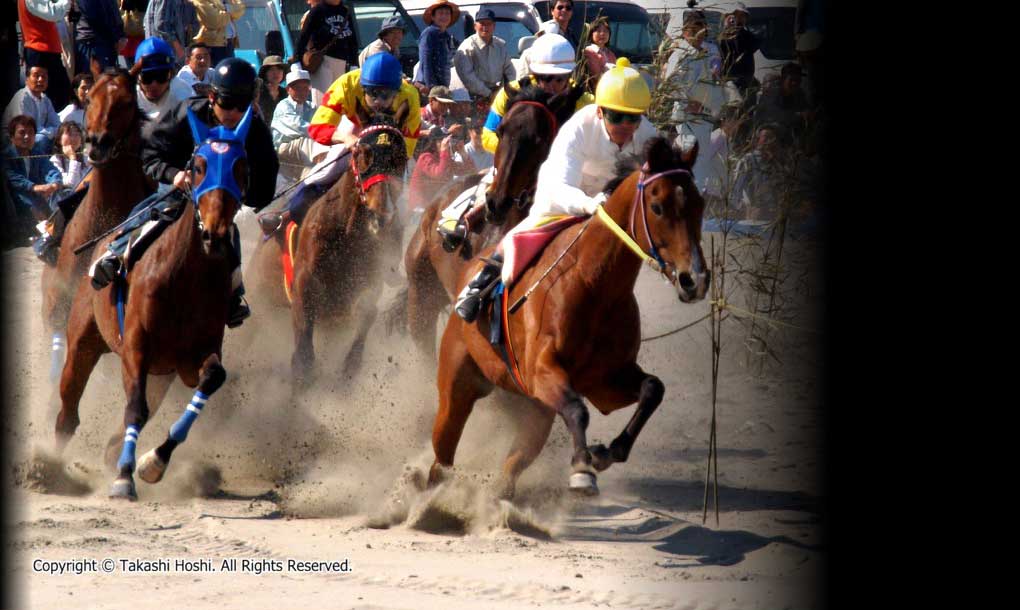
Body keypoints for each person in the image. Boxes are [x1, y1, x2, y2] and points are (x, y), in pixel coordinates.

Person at [454, 57, 657, 322]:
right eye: (616, 116)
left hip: (607, 203)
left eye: (633, 118)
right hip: (562, 195)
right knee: (522, 234)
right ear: (599, 111)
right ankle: (479, 285)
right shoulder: (576, 128)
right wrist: (590, 204)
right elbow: (561, 187)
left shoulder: (648, 134)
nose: (626, 126)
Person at [90, 57, 278, 328]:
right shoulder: (186, 113)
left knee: (231, 233)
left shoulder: (256, 131)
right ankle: (114, 253)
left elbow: (265, 187)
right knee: (156, 209)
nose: (234, 112)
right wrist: (174, 174)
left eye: (242, 105)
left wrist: (243, 191)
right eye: (227, 103)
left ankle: (234, 296)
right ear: (212, 97)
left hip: (220, 203)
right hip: (178, 190)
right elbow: (150, 153)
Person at [435, 33, 592, 251]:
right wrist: (515, 150)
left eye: (559, 79)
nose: (551, 85)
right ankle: (458, 222)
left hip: (565, 174)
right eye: (544, 78)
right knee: (490, 184)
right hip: (517, 167)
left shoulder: (584, 103)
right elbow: (488, 134)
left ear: (569, 74)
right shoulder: (511, 94)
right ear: (534, 73)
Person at [258, 52, 420, 233]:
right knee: (326, 171)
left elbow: (408, 145)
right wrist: (346, 138)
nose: (379, 102)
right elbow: (317, 128)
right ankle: (286, 213)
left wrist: (390, 167)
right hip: (355, 128)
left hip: (389, 141)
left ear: (398, 91)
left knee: (402, 198)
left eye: (386, 95)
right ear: (363, 87)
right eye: (374, 94)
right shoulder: (345, 85)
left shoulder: (410, 96)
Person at [3, 116, 62, 225]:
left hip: (38, 200)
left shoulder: (36, 152)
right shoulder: (6, 157)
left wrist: (54, 184)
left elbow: (50, 169)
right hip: (17, 206)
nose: (27, 136)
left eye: (31, 133)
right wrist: (35, 187)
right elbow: (14, 180)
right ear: (11, 137)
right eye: (22, 133)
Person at [17, 0, 73, 111]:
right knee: (54, 99)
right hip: (41, 52)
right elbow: (54, 13)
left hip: (44, 51)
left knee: (59, 97)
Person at [296, 0, 358, 98]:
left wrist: (354, 64)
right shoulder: (317, 11)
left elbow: (352, 41)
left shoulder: (345, 11)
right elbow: (303, 38)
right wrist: (297, 62)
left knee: (339, 101)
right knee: (323, 101)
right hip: (322, 62)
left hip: (343, 63)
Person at [454, 8, 516, 101]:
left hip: (498, 93)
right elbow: (469, 78)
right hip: (474, 97)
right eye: (482, 23)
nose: (485, 27)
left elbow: (510, 71)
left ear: (494, 26)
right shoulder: (467, 47)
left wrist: (503, 91)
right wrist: (489, 94)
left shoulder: (500, 45)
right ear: (475, 26)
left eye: (489, 24)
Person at [271, 65, 319, 181]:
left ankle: (317, 173)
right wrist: (324, 132)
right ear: (288, 89)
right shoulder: (283, 106)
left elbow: (320, 122)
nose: (303, 92)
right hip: (283, 148)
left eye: (305, 88)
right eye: (298, 88)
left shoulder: (311, 107)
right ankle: (323, 164)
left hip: (302, 149)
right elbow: (298, 127)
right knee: (307, 141)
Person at [408, 128, 473, 213]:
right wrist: (444, 151)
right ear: (433, 143)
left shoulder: (445, 160)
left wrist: (463, 153)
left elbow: (471, 172)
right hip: (419, 208)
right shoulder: (425, 157)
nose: (445, 144)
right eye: (440, 141)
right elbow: (439, 174)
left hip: (436, 206)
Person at [3, 65, 61, 150]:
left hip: (36, 136)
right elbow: (25, 129)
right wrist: (50, 132)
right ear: (26, 80)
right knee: (41, 140)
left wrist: (51, 132)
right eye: (36, 76)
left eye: (44, 77)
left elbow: (57, 124)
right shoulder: (22, 97)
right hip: (11, 140)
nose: (40, 79)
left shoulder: (45, 99)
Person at [753, 62, 812, 143]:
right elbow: (774, 115)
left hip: (788, 130)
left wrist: (807, 113)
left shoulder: (798, 93)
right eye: (791, 80)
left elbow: (805, 107)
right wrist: (797, 115)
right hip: (768, 128)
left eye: (798, 80)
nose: (794, 83)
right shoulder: (772, 92)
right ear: (783, 79)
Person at [718, 3, 760, 98]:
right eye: (737, 15)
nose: (740, 19)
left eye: (743, 16)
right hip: (729, 85)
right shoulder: (722, 36)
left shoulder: (747, 36)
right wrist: (728, 30)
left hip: (746, 83)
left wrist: (738, 32)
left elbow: (754, 46)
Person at [134, 37, 182, 121]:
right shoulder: (128, 98)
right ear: (137, 77)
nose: (154, 84)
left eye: (161, 76)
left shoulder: (183, 94)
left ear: (171, 75)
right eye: (147, 77)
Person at [417, 0, 459, 92]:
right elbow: (426, 61)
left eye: (447, 13)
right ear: (433, 17)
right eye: (440, 13)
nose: (444, 16)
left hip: (441, 86)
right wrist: (431, 87)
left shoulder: (447, 36)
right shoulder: (429, 33)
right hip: (427, 86)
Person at [75, 0, 128, 73]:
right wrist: (114, 37)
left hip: (108, 45)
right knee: (93, 80)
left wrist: (121, 35)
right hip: (92, 44)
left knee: (109, 78)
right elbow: (93, 17)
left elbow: (115, 13)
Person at [192, 0, 245, 66]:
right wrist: (231, 11)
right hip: (213, 46)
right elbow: (214, 21)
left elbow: (241, 8)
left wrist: (225, 10)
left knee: (229, 73)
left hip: (229, 45)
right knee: (214, 74)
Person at [48, 121, 89, 202]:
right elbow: (71, 185)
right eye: (70, 134)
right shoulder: (55, 160)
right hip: (67, 202)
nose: (73, 138)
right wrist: (72, 158)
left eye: (77, 134)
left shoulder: (85, 158)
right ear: (59, 140)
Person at [582, 16, 616, 89]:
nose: (602, 33)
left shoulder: (610, 53)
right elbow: (596, 76)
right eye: (598, 31)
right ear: (591, 34)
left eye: (606, 31)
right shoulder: (589, 52)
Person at [256, 55, 288, 123]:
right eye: (271, 69)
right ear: (265, 73)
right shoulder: (257, 92)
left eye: (279, 69)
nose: (276, 73)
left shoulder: (285, 93)